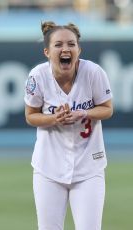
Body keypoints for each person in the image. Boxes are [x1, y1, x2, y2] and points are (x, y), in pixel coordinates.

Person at [24, 21, 113, 230]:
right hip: (48, 167)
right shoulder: (38, 76)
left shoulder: (93, 72)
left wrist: (85, 112)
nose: (65, 49)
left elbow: (107, 108)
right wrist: (55, 119)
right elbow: (30, 115)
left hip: (89, 166)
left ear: (78, 50)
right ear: (47, 51)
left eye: (71, 44)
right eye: (58, 45)